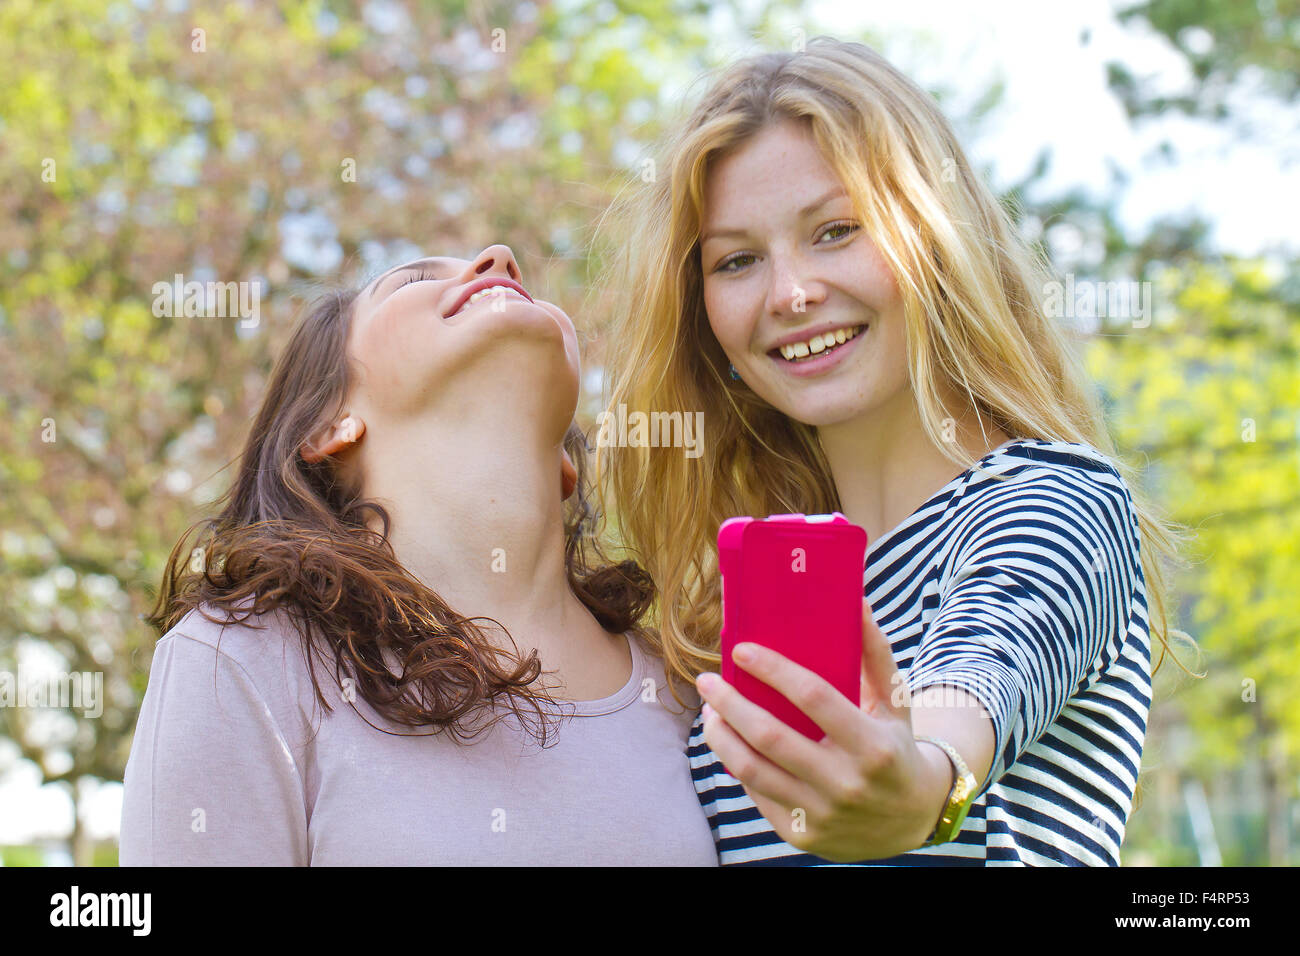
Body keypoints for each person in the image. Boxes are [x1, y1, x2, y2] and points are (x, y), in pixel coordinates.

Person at [596, 38, 1194, 865]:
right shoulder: (740, 596)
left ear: (936, 239)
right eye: (737, 260)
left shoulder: (1052, 500)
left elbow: (975, 681)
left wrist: (925, 784)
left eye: (836, 231)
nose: (790, 293)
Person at [119, 244, 717, 865]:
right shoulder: (243, 659)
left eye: (520, 279)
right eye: (413, 279)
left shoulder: (688, 683)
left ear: (567, 463)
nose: (501, 259)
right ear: (329, 423)